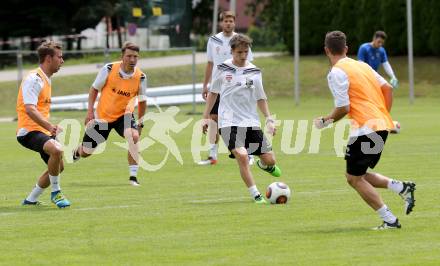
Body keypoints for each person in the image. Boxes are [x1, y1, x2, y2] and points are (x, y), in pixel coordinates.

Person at [314, 31, 416, 229]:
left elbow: (343, 108)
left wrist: (325, 121)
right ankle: (402, 187)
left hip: (365, 129)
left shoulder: (336, 72)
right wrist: (384, 116)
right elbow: (387, 88)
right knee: (357, 174)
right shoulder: (362, 65)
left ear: (326, 50)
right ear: (346, 49)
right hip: (380, 127)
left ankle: (390, 220)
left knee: (354, 178)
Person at [202, 34, 281, 204]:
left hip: (250, 122)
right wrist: (206, 117)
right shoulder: (222, 69)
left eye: (246, 52)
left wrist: (269, 118)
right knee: (242, 156)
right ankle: (256, 194)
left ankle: (264, 165)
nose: (243, 55)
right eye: (239, 52)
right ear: (231, 51)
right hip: (228, 123)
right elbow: (213, 93)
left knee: (270, 160)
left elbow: (261, 97)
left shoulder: (255, 71)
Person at [73, 42, 147, 187]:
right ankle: (77, 150)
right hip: (103, 116)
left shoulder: (141, 77)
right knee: (86, 152)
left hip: (124, 116)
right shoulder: (109, 69)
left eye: (135, 57)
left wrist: (140, 123)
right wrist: (90, 112)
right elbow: (94, 89)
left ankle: (133, 177)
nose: (132, 60)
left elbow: (143, 101)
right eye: (129, 56)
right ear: (122, 56)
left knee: (134, 136)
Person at [16, 40, 70, 208]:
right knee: (57, 150)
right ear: (48, 59)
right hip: (28, 131)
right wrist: (49, 127)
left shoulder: (46, 78)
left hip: (42, 130)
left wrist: (49, 128)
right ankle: (56, 192)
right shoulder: (35, 79)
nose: (62, 61)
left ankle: (30, 200)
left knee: (58, 167)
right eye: (59, 57)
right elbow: (30, 109)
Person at [198, 10, 254, 166]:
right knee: (213, 119)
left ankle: (248, 153)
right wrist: (205, 85)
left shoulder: (240, 41)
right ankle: (212, 155)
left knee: (240, 120)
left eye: (231, 20)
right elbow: (210, 63)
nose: (228, 23)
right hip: (218, 87)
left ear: (234, 23)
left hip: (236, 87)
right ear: (221, 23)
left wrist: (249, 85)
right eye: (225, 20)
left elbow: (249, 65)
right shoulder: (213, 40)